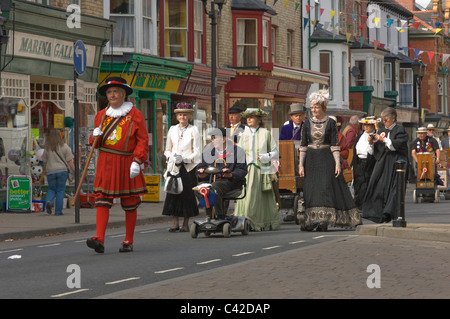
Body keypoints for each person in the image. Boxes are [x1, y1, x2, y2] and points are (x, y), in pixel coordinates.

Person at [86, 77, 149, 253]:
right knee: (102, 200)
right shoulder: (101, 115)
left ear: (123, 94)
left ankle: (128, 240)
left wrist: (137, 160)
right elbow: (95, 144)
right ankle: (99, 238)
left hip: (127, 162)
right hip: (106, 162)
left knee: (130, 201)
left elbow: (143, 140)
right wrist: (94, 136)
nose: (112, 95)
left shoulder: (135, 114)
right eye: (109, 92)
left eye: (115, 92)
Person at [298, 90, 360, 231]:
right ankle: (312, 220)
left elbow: (335, 145)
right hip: (311, 160)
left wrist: (337, 164)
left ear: (323, 108)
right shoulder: (307, 124)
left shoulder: (331, 123)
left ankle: (324, 220)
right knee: (312, 189)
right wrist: (301, 165)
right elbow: (303, 146)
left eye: (317, 107)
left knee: (325, 187)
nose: (314, 110)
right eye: (312, 107)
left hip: (326, 158)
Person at [234, 108, 280, 231]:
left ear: (259, 120)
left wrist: (266, 156)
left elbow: (276, 152)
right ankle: (245, 221)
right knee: (247, 196)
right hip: (247, 171)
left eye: (252, 117)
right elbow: (238, 153)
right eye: (247, 117)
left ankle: (261, 222)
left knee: (260, 198)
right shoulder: (243, 134)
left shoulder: (266, 133)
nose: (248, 119)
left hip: (261, 170)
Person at [362, 107, 409, 223]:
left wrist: (383, 139)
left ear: (393, 119)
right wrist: (371, 143)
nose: (384, 122)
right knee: (377, 186)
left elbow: (396, 145)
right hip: (383, 162)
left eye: (386, 120)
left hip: (396, 162)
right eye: (383, 120)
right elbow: (376, 150)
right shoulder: (382, 131)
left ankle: (389, 212)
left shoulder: (400, 130)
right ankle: (376, 213)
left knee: (394, 188)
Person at [162, 102, 201, 232]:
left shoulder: (193, 130)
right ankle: (175, 223)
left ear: (189, 116)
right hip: (174, 167)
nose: (182, 117)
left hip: (187, 168)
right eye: (180, 115)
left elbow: (197, 151)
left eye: (185, 115)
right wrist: (171, 156)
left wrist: (186, 159)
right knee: (173, 193)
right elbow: (167, 149)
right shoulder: (172, 129)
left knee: (186, 195)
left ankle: (185, 224)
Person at [196, 127, 247, 218]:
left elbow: (242, 170)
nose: (213, 141)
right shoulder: (208, 152)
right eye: (212, 138)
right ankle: (209, 215)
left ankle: (219, 215)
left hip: (229, 182)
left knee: (214, 188)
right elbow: (200, 167)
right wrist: (201, 174)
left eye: (215, 138)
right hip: (211, 181)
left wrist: (231, 174)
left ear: (223, 139)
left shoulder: (238, 152)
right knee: (199, 188)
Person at [42, 129, 75, 216]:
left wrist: (44, 171)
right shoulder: (65, 147)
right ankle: (58, 211)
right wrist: (75, 170)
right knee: (60, 191)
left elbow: (44, 161)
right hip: (62, 171)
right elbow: (70, 161)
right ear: (60, 136)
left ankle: (49, 201)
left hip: (50, 172)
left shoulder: (47, 148)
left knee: (52, 189)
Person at [351, 117, 377, 210]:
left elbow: (373, 152)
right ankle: (359, 202)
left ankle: (366, 204)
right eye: (364, 125)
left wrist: (371, 143)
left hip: (369, 163)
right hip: (358, 161)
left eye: (368, 125)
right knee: (358, 182)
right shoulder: (360, 136)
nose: (365, 127)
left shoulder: (375, 136)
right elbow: (355, 150)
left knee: (366, 183)